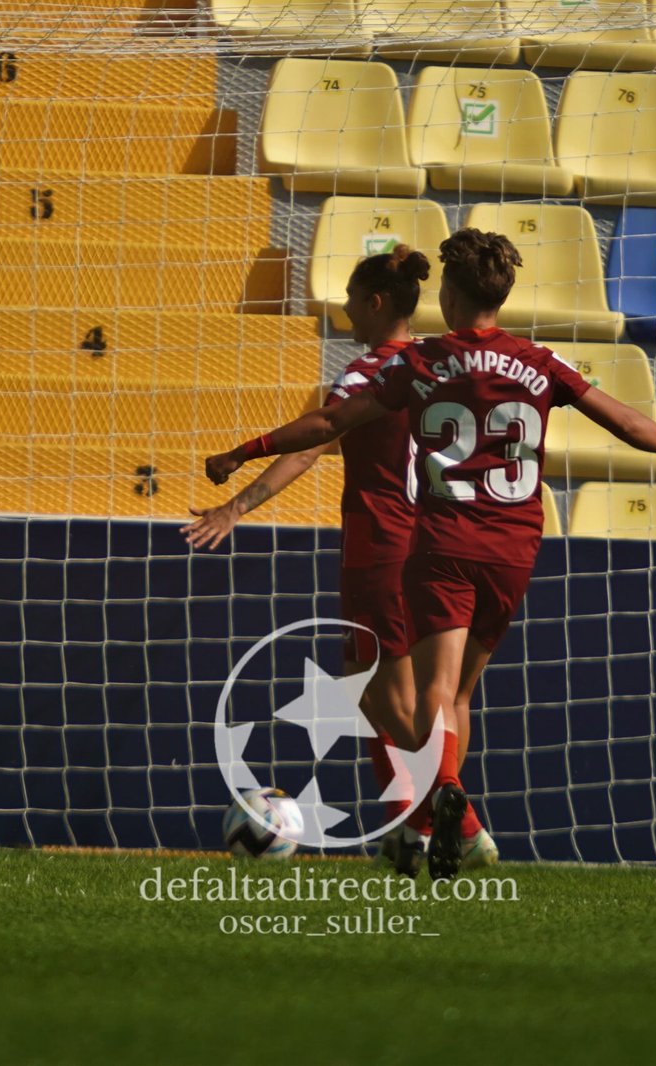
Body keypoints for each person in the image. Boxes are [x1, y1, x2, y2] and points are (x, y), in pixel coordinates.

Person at [206, 228, 656, 879]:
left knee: (434, 691)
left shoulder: (422, 362)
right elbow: (622, 421)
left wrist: (243, 451)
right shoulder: (539, 361)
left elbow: (329, 425)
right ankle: (441, 819)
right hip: (515, 549)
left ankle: (453, 813)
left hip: (442, 542)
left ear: (448, 293)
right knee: (462, 695)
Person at [185, 247, 494, 875]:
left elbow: (315, 440)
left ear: (376, 304)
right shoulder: (448, 369)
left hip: (384, 544)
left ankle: (457, 824)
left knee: (396, 703)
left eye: (352, 299)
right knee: (418, 694)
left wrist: (236, 504)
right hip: (454, 540)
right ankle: (409, 828)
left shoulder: (370, 374)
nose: (346, 309)